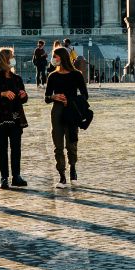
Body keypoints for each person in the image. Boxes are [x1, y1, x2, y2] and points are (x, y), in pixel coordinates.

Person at [0, 47, 29, 189]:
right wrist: (2, 94)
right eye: (11, 57)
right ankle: (4, 177)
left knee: (16, 148)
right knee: (2, 149)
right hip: (0, 118)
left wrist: (23, 95)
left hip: (15, 117)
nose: (13, 59)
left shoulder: (17, 79)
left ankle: (16, 176)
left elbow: (23, 98)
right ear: (4, 60)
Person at [44, 46, 90, 186]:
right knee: (58, 144)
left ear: (62, 58)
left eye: (55, 56)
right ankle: (62, 175)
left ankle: (73, 168)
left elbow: (85, 95)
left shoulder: (76, 75)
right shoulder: (52, 76)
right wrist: (54, 97)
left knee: (71, 143)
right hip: (57, 111)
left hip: (71, 110)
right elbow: (46, 97)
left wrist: (69, 100)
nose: (53, 59)